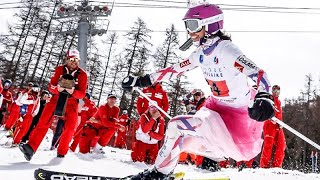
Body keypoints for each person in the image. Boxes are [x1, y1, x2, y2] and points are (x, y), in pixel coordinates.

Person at [122, 3, 275, 179]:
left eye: (193, 25)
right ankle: (166, 170)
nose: (189, 31)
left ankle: (159, 174)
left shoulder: (226, 50)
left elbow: (257, 72)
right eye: (187, 26)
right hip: (215, 110)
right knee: (180, 138)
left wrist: (265, 95)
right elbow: (175, 70)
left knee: (175, 126)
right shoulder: (201, 53)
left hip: (234, 118)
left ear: (210, 25)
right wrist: (142, 80)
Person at [19, 49, 88, 160]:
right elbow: (51, 86)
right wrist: (57, 89)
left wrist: (73, 92)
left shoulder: (83, 75)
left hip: (71, 103)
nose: (73, 62)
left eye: (76, 60)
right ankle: (30, 148)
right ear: (67, 59)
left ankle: (61, 152)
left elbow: (82, 94)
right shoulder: (60, 69)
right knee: (43, 122)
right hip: (56, 99)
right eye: (71, 59)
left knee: (70, 128)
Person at [260, 85, 286, 168]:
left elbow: (279, 114)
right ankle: (264, 165)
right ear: (272, 91)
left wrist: (280, 122)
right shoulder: (269, 99)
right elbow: (264, 111)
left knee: (281, 145)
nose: (276, 92)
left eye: (278, 91)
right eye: (275, 91)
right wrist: (270, 119)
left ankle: (277, 165)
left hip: (278, 126)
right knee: (268, 146)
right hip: (269, 125)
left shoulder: (279, 101)